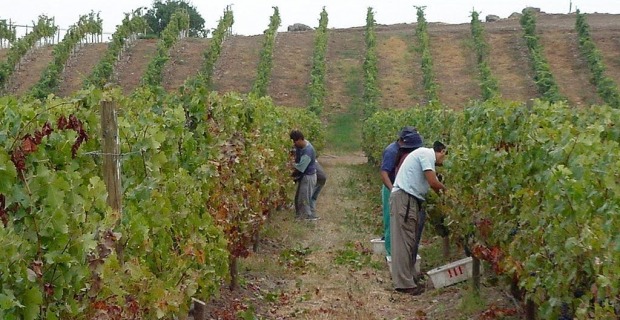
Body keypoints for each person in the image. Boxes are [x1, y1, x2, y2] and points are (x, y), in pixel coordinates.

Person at [390, 140, 447, 295]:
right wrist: (448, 194)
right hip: (405, 199)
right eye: (445, 157)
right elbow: (433, 182)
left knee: (409, 240)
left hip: (409, 200)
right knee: (404, 241)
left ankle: (409, 278)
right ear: (442, 151)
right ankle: (404, 284)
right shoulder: (426, 154)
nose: (443, 162)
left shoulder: (423, 155)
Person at [380, 127, 422, 257]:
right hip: (391, 189)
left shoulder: (405, 150)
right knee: (391, 222)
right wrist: (392, 190)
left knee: (399, 223)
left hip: (401, 189)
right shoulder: (391, 151)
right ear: (402, 141)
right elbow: (384, 173)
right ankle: (391, 254)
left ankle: (399, 252)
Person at [290, 130, 319, 220]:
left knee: (304, 199)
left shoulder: (308, 151)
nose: (294, 144)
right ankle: (301, 216)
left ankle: (308, 218)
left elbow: (300, 168)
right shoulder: (302, 146)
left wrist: (291, 166)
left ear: (299, 139)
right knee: (299, 198)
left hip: (308, 177)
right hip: (306, 176)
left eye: (295, 141)